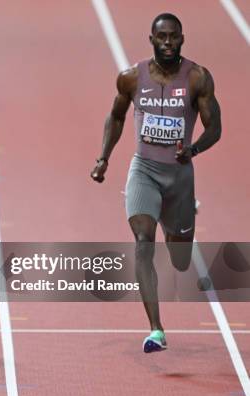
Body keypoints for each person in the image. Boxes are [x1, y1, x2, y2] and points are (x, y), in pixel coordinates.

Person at [90, 13, 221, 352]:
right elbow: (116, 117)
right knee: (143, 242)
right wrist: (103, 158)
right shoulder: (132, 78)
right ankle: (156, 330)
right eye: (161, 37)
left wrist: (192, 149)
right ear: (151, 39)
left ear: (182, 38)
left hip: (179, 178)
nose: (167, 43)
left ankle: (183, 214)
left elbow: (215, 128)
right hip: (144, 171)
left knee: (179, 258)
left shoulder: (197, 78)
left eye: (173, 37)